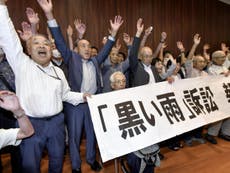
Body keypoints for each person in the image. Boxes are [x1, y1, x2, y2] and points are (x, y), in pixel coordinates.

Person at [0, 1, 90, 173]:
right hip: (31, 125)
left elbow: (65, 95)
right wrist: (2, 7)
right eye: (37, 43)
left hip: (57, 124)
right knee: (30, 166)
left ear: (51, 49)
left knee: (57, 162)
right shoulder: (22, 64)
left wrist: (82, 96)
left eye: (46, 43)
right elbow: (8, 36)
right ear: (28, 49)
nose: (42, 46)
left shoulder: (58, 71)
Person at [37, 0, 123, 172]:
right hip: (75, 105)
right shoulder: (71, 58)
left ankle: (91, 159)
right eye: (82, 46)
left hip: (92, 103)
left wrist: (114, 32)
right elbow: (60, 40)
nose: (86, 49)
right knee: (74, 137)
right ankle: (76, 166)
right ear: (76, 48)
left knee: (92, 134)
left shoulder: (95, 60)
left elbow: (106, 49)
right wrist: (49, 15)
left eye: (88, 47)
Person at [205, 50, 230, 144]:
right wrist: (223, 75)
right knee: (219, 115)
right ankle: (211, 134)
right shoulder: (211, 69)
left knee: (228, 113)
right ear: (215, 59)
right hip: (217, 95)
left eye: (224, 57)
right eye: (221, 57)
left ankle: (225, 132)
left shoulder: (224, 67)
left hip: (226, 94)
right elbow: (213, 80)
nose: (224, 59)